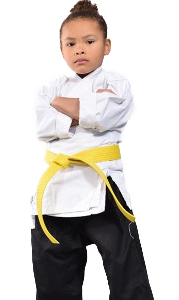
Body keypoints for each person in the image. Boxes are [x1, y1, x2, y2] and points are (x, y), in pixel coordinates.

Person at [29, 1, 154, 299]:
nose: (80, 50)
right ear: (61, 49)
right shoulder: (50, 85)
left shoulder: (116, 81)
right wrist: (83, 112)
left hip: (104, 186)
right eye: (71, 43)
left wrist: (65, 107)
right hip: (56, 191)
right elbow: (40, 126)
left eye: (89, 41)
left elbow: (103, 114)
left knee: (127, 276)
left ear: (106, 45)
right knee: (54, 282)